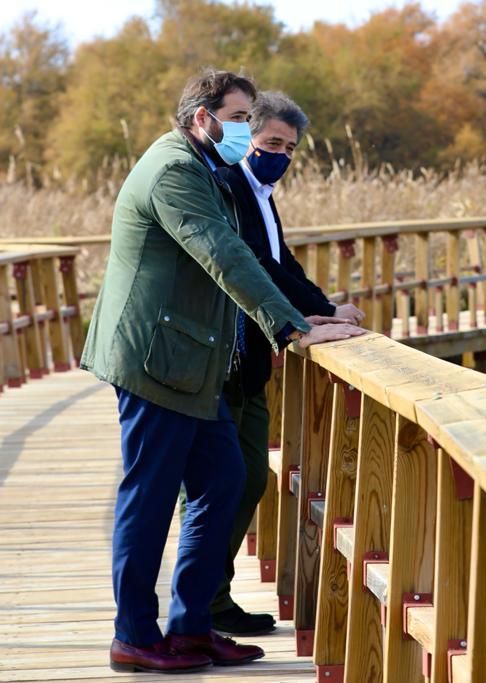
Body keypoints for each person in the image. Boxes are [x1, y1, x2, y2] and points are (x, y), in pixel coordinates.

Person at [81, 70, 364, 674]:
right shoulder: (175, 171)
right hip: (155, 358)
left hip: (191, 360)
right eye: (237, 118)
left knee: (225, 479)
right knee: (149, 496)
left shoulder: (205, 166)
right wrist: (294, 326)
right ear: (200, 118)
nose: (244, 128)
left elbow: (257, 256)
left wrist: (306, 311)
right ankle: (133, 635)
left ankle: (190, 627)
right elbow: (222, 252)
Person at [200, 91, 365, 637]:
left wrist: (324, 309)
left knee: (245, 479)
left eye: (290, 148)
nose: (280, 155)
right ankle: (204, 606)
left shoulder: (262, 191)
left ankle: (213, 602)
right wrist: (312, 316)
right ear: (247, 137)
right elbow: (257, 265)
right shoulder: (231, 189)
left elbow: (282, 259)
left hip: (252, 360)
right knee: (222, 485)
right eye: (271, 142)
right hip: (225, 357)